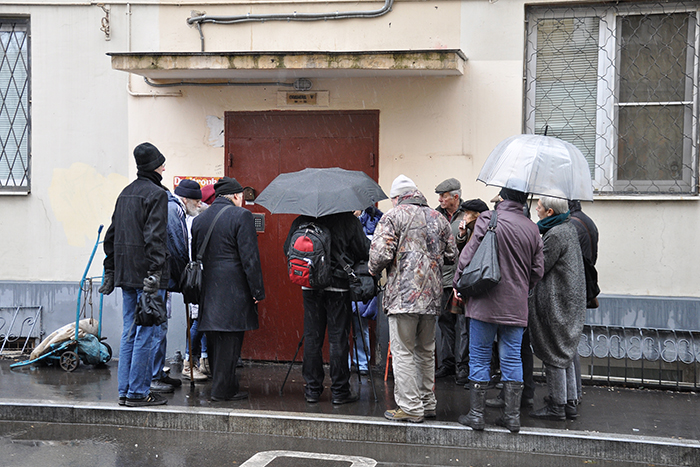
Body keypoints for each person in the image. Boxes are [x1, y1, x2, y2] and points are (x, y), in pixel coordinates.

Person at [454, 187, 544, 433]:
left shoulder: (488, 219)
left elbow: (468, 256)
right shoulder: (532, 228)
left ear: (502, 199)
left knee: (480, 357)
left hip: (484, 301)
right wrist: (520, 287)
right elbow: (537, 271)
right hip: (516, 305)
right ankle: (512, 417)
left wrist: (458, 283)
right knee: (512, 357)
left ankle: (476, 415)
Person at [370, 175, 457, 423]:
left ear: (398, 197)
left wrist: (374, 269)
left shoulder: (393, 216)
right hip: (432, 297)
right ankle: (427, 402)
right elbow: (452, 255)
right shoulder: (438, 217)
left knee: (403, 351)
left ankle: (410, 407)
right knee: (426, 351)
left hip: (403, 297)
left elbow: (379, 256)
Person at [99, 142, 170, 407]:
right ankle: (139, 392)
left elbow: (112, 236)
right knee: (147, 332)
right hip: (147, 277)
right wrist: (154, 272)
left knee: (130, 331)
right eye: (162, 163)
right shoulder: (156, 194)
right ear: (155, 167)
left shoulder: (125, 193)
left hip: (127, 275)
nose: (164, 166)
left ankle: (125, 390)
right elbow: (155, 238)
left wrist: (110, 270)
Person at [284, 209, 371, 405]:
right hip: (338, 286)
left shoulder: (301, 220)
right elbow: (364, 250)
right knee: (338, 339)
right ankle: (340, 391)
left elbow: (287, 250)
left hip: (310, 285)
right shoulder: (348, 220)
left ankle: (312, 390)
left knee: (312, 338)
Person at [191, 177, 265, 401]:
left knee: (215, 337)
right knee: (231, 340)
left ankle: (224, 386)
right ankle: (223, 390)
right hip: (233, 288)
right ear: (235, 195)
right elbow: (249, 258)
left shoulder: (200, 219)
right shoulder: (241, 216)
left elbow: (196, 255)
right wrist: (257, 291)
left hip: (208, 286)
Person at [528, 196, 586, 421]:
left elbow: (539, 267)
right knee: (566, 352)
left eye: (539, 207)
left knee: (554, 352)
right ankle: (569, 402)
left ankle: (557, 405)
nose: (537, 210)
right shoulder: (567, 228)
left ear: (550, 212)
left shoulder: (556, 234)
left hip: (557, 302)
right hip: (569, 300)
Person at [149, 179, 202, 393]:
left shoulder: (174, 208)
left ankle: (158, 373)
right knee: (158, 327)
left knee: (160, 325)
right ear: (186, 199)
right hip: (163, 276)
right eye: (197, 201)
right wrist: (184, 279)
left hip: (164, 276)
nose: (199, 205)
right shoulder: (173, 210)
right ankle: (154, 376)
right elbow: (178, 246)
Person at [434, 178, 469, 385]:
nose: (440, 199)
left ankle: (462, 366)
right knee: (445, 322)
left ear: (455, 196)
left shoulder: (468, 214)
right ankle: (447, 363)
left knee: (463, 325)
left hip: (461, 279)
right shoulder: (435, 215)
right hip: (441, 279)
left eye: (444, 196)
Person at [568, 199, 599, 403]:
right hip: (584, 288)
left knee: (568, 346)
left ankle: (572, 395)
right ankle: (573, 393)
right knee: (572, 344)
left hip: (572, 289)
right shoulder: (588, 221)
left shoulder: (570, 226)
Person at [349, 207, 383, 376]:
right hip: (349, 275)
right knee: (342, 323)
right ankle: (348, 362)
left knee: (360, 322)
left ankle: (361, 361)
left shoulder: (375, 222)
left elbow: (373, 251)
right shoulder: (345, 221)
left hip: (363, 278)